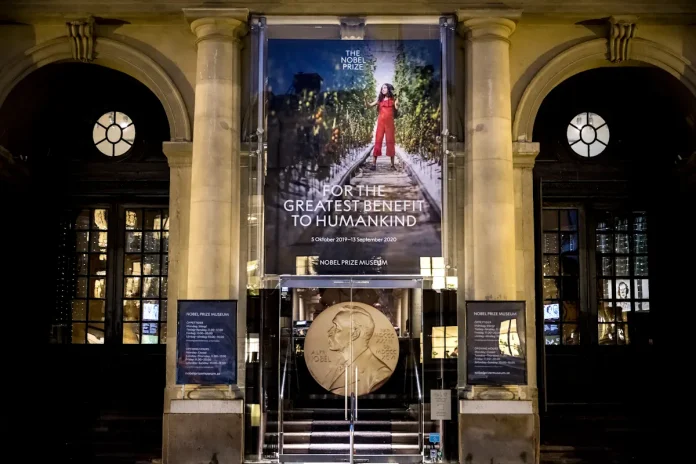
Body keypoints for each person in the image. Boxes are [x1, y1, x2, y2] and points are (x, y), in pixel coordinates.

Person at [322, 306, 392, 395]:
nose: (329, 332)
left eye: (337, 328)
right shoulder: (338, 365)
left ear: (355, 334)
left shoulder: (379, 376)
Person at [366, 83, 399, 170]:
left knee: (390, 142)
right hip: (381, 124)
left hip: (390, 124)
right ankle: (373, 164)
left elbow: (396, 108)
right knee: (378, 141)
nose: (383, 89)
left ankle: (392, 165)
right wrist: (365, 100)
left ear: (388, 89)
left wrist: (397, 103)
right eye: (382, 88)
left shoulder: (393, 99)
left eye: (385, 88)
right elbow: (369, 106)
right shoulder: (379, 100)